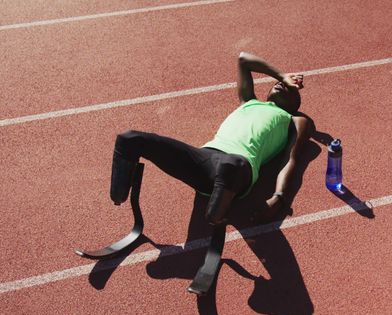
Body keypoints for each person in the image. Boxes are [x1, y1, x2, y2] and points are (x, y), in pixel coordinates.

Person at [109, 52, 313, 225]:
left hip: (240, 166)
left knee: (230, 164)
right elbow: (244, 59)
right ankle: (118, 196)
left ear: (296, 104)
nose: (282, 85)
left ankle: (216, 215)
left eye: (289, 89)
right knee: (129, 138)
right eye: (278, 83)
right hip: (205, 158)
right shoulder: (248, 101)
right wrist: (283, 75)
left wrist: (279, 197)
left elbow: (290, 160)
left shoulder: (295, 120)